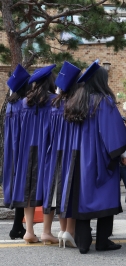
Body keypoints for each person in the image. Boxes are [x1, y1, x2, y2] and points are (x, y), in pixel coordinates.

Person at [64, 60, 126, 254]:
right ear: (101, 81)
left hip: (78, 160)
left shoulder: (75, 103)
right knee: (105, 198)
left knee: (83, 200)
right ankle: (102, 241)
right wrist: (122, 154)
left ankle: (83, 243)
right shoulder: (104, 102)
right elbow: (114, 134)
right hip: (100, 159)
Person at [11, 64, 58, 244]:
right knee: (48, 189)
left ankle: (29, 231)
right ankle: (46, 231)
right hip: (47, 151)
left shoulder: (24, 102)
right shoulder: (55, 101)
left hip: (26, 151)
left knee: (28, 191)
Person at [42, 61, 83, 248]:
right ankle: (70, 231)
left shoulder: (54, 105)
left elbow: (47, 133)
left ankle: (61, 230)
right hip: (72, 153)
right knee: (71, 191)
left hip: (55, 153)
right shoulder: (76, 106)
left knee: (59, 191)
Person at [3, 64, 30, 240]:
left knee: (16, 185)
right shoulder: (23, 105)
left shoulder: (10, 105)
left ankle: (17, 227)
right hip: (23, 147)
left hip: (11, 148)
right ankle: (17, 227)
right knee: (24, 186)